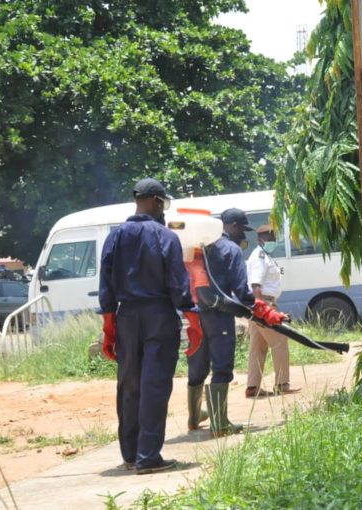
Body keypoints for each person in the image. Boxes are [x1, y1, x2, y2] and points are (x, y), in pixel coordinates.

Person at [99, 177, 202, 475]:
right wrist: (193, 324)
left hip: (126, 316)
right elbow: (178, 286)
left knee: (129, 385)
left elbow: (105, 285)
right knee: (154, 385)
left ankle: (131, 454)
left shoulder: (115, 237)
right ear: (157, 201)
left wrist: (109, 328)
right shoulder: (165, 236)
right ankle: (148, 457)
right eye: (163, 203)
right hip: (159, 315)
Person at [186, 207, 256, 436]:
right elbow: (241, 289)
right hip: (218, 315)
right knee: (221, 366)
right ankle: (220, 424)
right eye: (240, 229)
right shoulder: (230, 249)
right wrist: (251, 307)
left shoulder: (198, 247)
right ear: (232, 225)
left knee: (198, 366)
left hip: (194, 316)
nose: (241, 234)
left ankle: (195, 418)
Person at [245, 224, 300, 397]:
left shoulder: (264, 255)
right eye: (270, 238)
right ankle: (282, 384)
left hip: (258, 306)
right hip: (264, 305)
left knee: (258, 347)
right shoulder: (260, 256)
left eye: (274, 237)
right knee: (280, 341)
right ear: (260, 239)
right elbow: (255, 286)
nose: (273, 241)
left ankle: (252, 387)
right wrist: (263, 310)